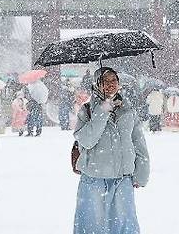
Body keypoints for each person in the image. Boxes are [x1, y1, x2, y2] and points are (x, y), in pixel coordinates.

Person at [73, 67, 149, 234]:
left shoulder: (128, 109)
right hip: (94, 178)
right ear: (96, 85)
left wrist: (142, 173)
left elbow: (138, 142)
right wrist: (102, 111)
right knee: (92, 225)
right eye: (105, 81)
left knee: (124, 225)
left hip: (123, 177)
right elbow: (86, 140)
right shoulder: (87, 111)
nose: (110, 84)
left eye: (113, 80)